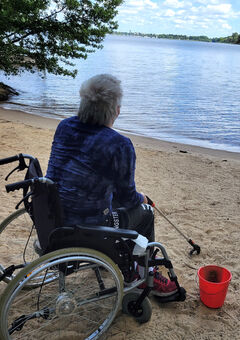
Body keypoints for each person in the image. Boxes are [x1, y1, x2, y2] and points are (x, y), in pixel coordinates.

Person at [46, 74, 176, 296]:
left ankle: (120, 259)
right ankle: (142, 274)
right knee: (145, 212)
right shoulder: (119, 144)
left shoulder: (65, 126)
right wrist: (142, 197)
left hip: (52, 219)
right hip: (86, 228)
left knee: (116, 201)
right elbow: (128, 198)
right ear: (115, 110)